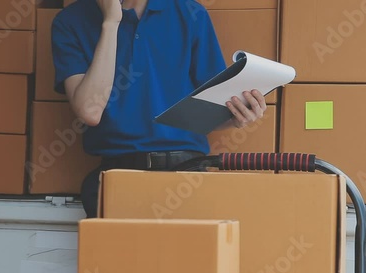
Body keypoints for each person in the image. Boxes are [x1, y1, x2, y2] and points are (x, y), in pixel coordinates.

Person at [51, 0, 268, 218]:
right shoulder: (71, 21)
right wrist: (111, 23)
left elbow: (213, 108)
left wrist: (237, 116)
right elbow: (90, 111)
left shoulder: (190, 13)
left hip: (186, 177)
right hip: (118, 177)